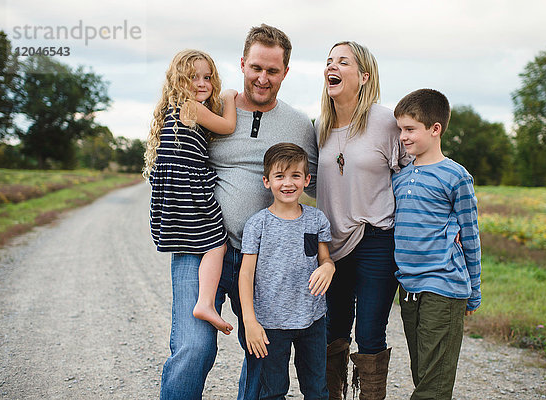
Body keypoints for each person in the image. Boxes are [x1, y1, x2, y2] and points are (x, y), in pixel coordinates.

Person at [158, 25, 317, 400]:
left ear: (285, 73)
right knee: (194, 349)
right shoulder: (209, 110)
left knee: (262, 352)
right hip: (200, 247)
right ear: (243, 64)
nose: (263, 78)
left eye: (273, 71)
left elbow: (321, 187)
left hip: (264, 258)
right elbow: (173, 161)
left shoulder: (299, 125)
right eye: (256, 67)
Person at [315, 41, 411, 399]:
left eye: (343, 62)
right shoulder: (320, 126)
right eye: (328, 62)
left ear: (364, 75)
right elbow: (309, 183)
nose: (332, 67)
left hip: (376, 240)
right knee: (332, 329)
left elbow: (413, 173)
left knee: (371, 332)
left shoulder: (385, 121)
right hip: (331, 246)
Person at [392, 89, 481, 400]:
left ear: (435, 129)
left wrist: (475, 288)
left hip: (443, 284)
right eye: (400, 129)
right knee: (423, 371)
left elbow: (470, 234)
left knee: (434, 383)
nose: (402, 136)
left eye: (410, 129)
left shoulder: (457, 177)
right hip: (409, 286)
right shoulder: (400, 178)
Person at [144, 49, 237, 335]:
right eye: (192, 77)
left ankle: (204, 301)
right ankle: (205, 303)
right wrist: (230, 98)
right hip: (189, 191)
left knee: (203, 243)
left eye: (207, 77)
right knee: (217, 243)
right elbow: (228, 126)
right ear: (177, 81)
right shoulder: (192, 108)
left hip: (172, 197)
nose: (202, 83)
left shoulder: (169, 112)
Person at [239, 143, 334, 400]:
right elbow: (246, 274)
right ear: (266, 181)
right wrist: (250, 320)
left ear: (307, 179)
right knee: (273, 391)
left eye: (295, 175)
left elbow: (325, 259)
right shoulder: (257, 224)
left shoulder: (316, 219)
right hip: (270, 325)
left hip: (312, 320)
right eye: (280, 176)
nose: (288, 183)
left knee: (317, 389)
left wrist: (328, 267)